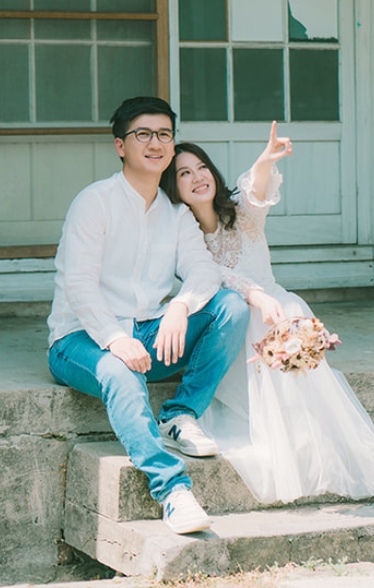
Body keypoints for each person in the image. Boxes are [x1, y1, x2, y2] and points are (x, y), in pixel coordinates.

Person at [46, 96, 249, 534]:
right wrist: (116, 340)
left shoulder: (176, 215)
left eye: (164, 135)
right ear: (121, 145)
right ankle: (172, 490)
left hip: (151, 332)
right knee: (120, 373)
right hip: (80, 339)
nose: (155, 143)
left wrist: (179, 306)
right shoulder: (94, 202)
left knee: (231, 308)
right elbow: (78, 284)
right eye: (143, 134)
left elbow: (202, 271)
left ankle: (179, 414)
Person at [161, 122, 374, 504]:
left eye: (202, 167)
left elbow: (256, 191)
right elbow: (213, 274)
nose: (197, 177)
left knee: (289, 309)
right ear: (174, 188)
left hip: (279, 307)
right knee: (251, 312)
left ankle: (305, 433)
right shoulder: (183, 237)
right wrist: (257, 299)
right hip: (233, 323)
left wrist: (265, 159)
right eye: (184, 173)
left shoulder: (242, 214)